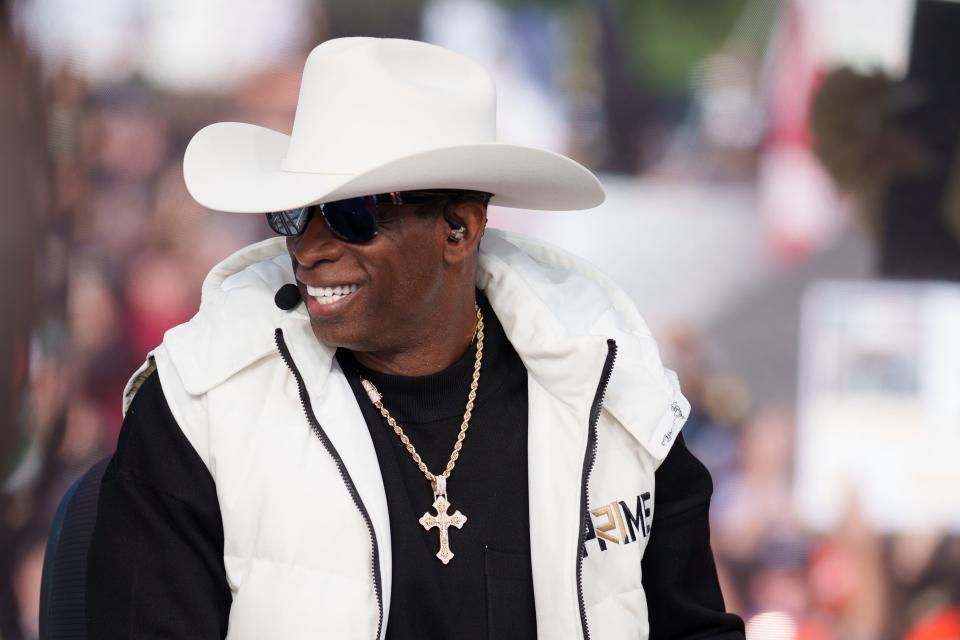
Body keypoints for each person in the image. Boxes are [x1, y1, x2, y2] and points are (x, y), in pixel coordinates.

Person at [85, 37, 745, 639]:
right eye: (292, 212)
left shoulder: (608, 384)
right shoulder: (201, 401)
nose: (310, 249)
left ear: (458, 229)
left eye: (350, 215)